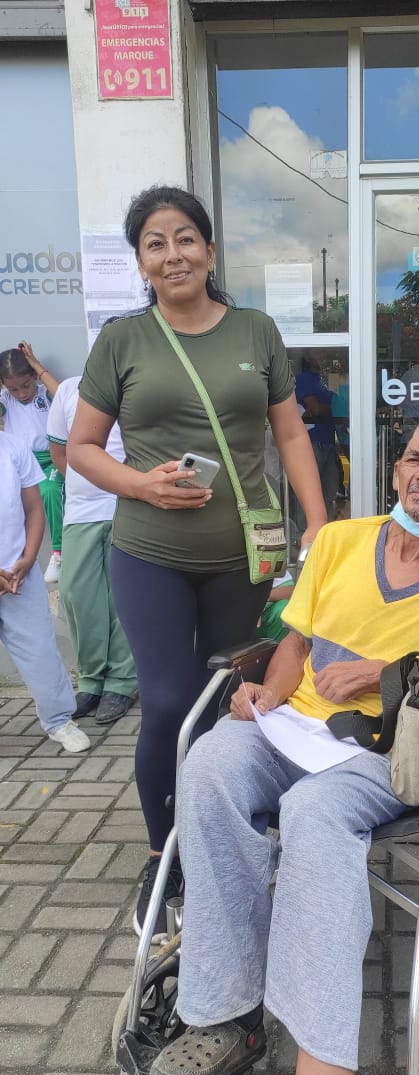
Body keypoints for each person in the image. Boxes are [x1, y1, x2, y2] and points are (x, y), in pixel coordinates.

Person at [147, 408, 419, 1075]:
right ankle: (229, 1013)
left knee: (312, 812)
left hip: (385, 755)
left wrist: (385, 674)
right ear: (395, 467)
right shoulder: (340, 542)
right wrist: (266, 696)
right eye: (415, 458)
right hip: (295, 727)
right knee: (209, 764)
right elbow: (294, 642)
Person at [67, 184, 326, 939]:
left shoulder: (255, 330)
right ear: (140, 261)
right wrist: (139, 483)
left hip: (240, 556)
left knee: (226, 701)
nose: (172, 254)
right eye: (155, 243)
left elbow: (289, 435)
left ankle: (222, 828)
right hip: (147, 552)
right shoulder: (122, 341)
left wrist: (318, 521)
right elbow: (80, 447)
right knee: (168, 700)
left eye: (185, 238)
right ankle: (164, 853)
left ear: (209, 251)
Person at [46, 376, 138, 725]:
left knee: (123, 597)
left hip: (127, 506)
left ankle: (121, 682)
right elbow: (59, 452)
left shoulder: (136, 386)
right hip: (80, 511)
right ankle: (91, 680)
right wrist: (92, 479)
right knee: (76, 593)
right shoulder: (68, 390)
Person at [0, 431, 90, 754]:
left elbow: (34, 509)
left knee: (40, 652)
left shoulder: (13, 446)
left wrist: (27, 560)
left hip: (18, 577)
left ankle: (59, 720)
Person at [0, 342, 64, 583]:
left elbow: (64, 396)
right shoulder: (6, 399)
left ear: (34, 377)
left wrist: (37, 366)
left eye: (26, 385)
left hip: (50, 458)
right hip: (21, 463)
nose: (21, 393)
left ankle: (58, 553)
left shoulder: (44, 394)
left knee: (49, 491)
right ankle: (17, 555)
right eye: (13, 389)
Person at [294, 353, 340, 523]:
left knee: (329, 491)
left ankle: (325, 532)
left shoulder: (319, 381)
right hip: (312, 442)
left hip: (327, 442)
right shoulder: (304, 379)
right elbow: (316, 409)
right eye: (318, 352)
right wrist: (339, 405)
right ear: (307, 357)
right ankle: (303, 533)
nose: (323, 355)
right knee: (309, 492)